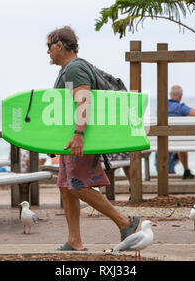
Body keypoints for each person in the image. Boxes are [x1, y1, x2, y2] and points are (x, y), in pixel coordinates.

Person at [48, 26, 139, 251]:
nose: (47, 52)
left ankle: (125, 222)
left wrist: (79, 134)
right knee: (66, 187)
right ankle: (74, 240)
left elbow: (83, 101)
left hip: (81, 137)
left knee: (78, 185)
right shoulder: (70, 69)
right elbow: (64, 108)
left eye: (49, 47)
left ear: (60, 45)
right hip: (71, 139)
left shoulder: (75, 68)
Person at [167, 85, 195, 179]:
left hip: (163, 140)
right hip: (177, 141)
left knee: (175, 143)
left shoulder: (162, 106)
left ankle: (176, 156)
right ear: (180, 96)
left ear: (170, 94)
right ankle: (186, 170)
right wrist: (184, 117)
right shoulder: (180, 107)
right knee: (181, 144)